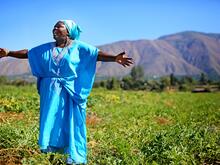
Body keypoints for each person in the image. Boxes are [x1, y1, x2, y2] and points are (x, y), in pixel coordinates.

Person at [0, 20, 133, 164]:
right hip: (50, 93)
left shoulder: (79, 47)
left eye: (59, 26)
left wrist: (115, 58)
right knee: (51, 120)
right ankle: (51, 154)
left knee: (71, 120)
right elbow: (28, 53)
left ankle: (74, 155)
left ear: (69, 31)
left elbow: (96, 54)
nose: (55, 28)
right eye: (54, 26)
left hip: (71, 91)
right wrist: (8, 52)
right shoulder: (46, 48)